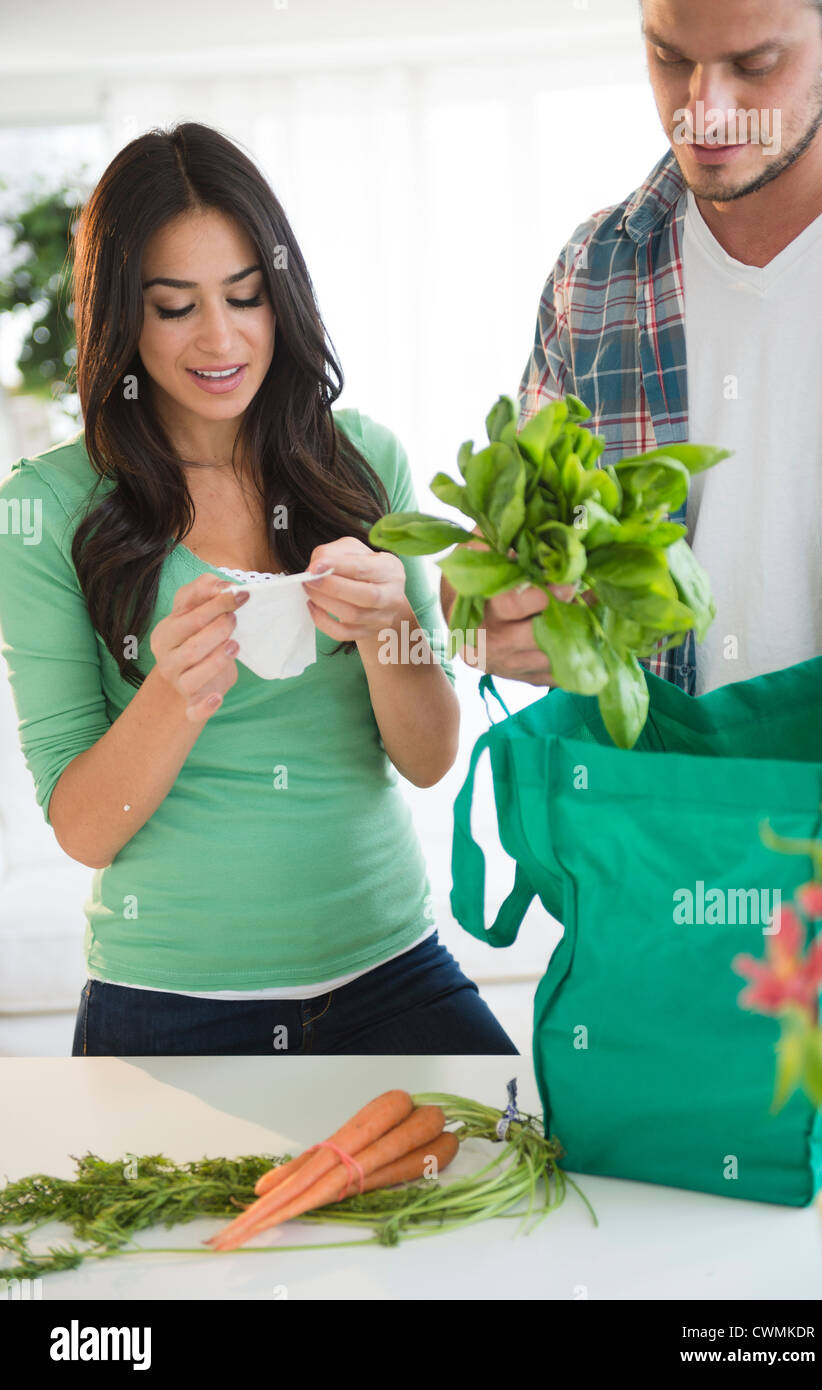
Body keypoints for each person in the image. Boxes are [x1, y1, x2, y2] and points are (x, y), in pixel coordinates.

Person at [0, 121, 518, 1057]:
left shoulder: (362, 460)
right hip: (167, 997)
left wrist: (389, 625)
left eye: (246, 296)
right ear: (121, 317)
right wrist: (173, 695)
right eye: (174, 307)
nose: (221, 337)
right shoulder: (45, 508)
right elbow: (81, 828)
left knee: (527, 1186)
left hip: (389, 968)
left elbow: (430, 757)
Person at [441, 0, 822, 695]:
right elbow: (519, 540)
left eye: (752, 64)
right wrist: (481, 599)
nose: (704, 109)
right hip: (646, 795)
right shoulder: (592, 272)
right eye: (670, 57)